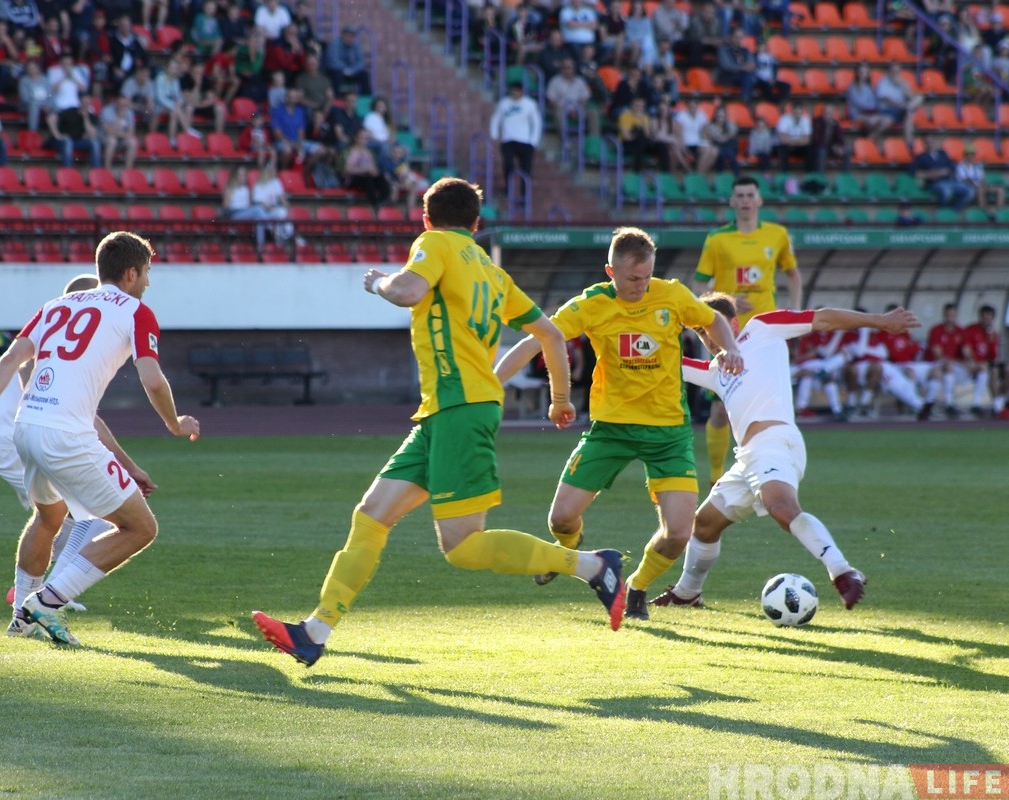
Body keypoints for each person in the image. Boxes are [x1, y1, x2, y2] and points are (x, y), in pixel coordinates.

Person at [252, 178, 629, 667]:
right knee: (371, 515)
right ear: (476, 224)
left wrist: (377, 281)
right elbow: (553, 337)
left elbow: (408, 290)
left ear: (427, 219)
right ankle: (314, 632)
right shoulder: (494, 273)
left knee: (463, 548)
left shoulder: (433, 244)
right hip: (443, 413)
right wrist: (559, 398)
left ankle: (594, 566)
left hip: (460, 410)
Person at [0, 232, 200, 646]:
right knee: (140, 527)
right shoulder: (136, 311)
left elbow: (10, 360)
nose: (149, 283)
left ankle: (21, 618)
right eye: (148, 272)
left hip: (25, 427)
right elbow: (152, 379)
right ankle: (46, 603)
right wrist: (175, 424)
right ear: (132, 273)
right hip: (66, 435)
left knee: (48, 518)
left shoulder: (55, 306)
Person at [495, 227, 744, 621]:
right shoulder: (592, 304)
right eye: (632, 278)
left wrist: (730, 347)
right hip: (610, 429)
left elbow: (713, 319)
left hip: (668, 433)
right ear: (610, 271)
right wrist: (493, 385)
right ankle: (570, 549)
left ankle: (636, 587)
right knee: (560, 518)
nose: (641, 286)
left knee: (679, 533)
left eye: (647, 277)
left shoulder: (672, 295)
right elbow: (537, 339)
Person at [650, 303, 916, 612]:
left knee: (781, 507)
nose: (708, 337)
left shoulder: (762, 328)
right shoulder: (713, 371)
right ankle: (687, 592)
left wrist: (879, 319)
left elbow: (825, 318)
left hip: (775, 443)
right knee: (705, 524)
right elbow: (660, 361)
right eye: (700, 331)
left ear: (733, 324)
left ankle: (842, 570)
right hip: (748, 459)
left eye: (712, 326)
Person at [694, 175, 802, 484]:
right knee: (720, 407)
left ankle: (769, 467)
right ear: (731, 201)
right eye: (739, 195)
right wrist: (720, 303)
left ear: (759, 200)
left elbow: (793, 275)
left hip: (766, 334)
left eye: (749, 195)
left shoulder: (777, 235)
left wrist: (793, 314)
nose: (744, 200)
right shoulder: (717, 240)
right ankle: (716, 475)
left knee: (770, 404)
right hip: (729, 334)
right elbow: (699, 283)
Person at [488, 81, 542, 197]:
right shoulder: (504, 103)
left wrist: (533, 141)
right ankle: (507, 187)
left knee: (526, 169)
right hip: (508, 140)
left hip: (525, 141)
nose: (515, 93)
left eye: (517, 91)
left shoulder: (529, 104)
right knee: (508, 163)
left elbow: (536, 123)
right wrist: (495, 135)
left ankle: (524, 194)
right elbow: (496, 118)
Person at [912, 135, 975, 210]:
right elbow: (911, 169)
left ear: (935, 143)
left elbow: (952, 167)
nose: (930, 144)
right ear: (924, 144)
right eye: (927, 143)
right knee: (946, 191)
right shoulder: (921, 157)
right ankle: (942, 211)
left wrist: (943, 171)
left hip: (948, 181)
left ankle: (954, 211)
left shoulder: (943, 154)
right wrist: (926, 174)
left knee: (970, 191)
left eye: (932, 142)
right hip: (934, 183)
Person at [775, 101, 813, 172]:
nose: (797, 114)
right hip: (787, 146)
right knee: (783, 149)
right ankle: (784, 174)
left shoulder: (805, 120)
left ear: (802, 111)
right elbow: (782, 138)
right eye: (796, 112)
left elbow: (807, 139)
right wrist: (798, 140)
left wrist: (792, 141)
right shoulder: (784, 119)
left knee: (810, 149)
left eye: (799, 112)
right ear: (792, 111)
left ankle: (809, 175)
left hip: (799, 146)